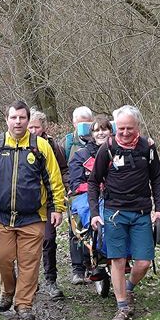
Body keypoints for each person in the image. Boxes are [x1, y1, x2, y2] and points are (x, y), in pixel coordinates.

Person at [0, 100, 66, 320]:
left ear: (27, 120)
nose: (18, 122)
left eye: (22, 118)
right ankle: (7, 290)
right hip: (0, 215)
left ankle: (24, 304)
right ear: (6, 120)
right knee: (2, 259)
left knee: (29, 263)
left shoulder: (40, 147)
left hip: (32, 216)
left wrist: (57, 208)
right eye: (14, 117)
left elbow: (54, 179)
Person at [88, 105, 160, 320]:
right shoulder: (108, 148)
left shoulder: (147, 148)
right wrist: (95, 213)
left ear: (137, 126)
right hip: (114, 213)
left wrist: (159, 209)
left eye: (129, 128)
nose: (124, 132)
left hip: (141, 212)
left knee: (143, 263)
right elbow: (93, 181)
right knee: (118, 260)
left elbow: (157, 179)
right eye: (120, 128)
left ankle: (128, 288)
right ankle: (122, 307)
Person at [27, 109, 69, 301]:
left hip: (50, 201)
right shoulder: (18, 145)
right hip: (26, 203)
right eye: (30, 127)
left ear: (44, 128)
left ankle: (51, 280)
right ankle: (29, 283)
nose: (33, 130)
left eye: (36, 127)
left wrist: (67, 192)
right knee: (27, 244)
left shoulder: (53, 146)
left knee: (49, 240)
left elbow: (64, 170)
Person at [64, 106, 95, 284]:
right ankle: (78, 269)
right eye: (80, 122)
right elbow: (60, 167)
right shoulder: (67, 142)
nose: (83, 125)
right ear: (73, 123)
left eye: (87, 121)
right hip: (72, 192)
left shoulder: (101, 138)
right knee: (75, 229)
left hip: (94, 190)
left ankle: (92, 263)